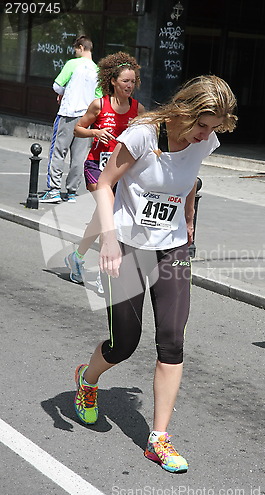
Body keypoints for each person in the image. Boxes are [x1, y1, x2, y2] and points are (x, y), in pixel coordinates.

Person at [73, 75, 237, 473]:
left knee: (172, 340)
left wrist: (190, 219)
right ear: (184, 111)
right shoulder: (144, 134)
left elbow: (191, 180)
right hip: (128, 243)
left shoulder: (205, 140)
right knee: (124, 343)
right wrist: (108, 240)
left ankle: (158, 439)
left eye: (213, 128)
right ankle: (88, 380)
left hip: (173, 248)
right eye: (202, 125)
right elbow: (106, 184)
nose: (205, 136)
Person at [64, 52, 144, 287]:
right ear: (113, 81)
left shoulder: (138, 109)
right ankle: (103, 272)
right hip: (96, 166)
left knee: (102, 216)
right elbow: (78, 129)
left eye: (132, 81)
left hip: (120, 170)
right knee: (106, 211)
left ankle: (77, 257)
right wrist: (95, 132)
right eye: (125, 81)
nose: (130, 86)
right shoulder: (100, 104)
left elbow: (148, 136)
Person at [40, 35, 101, 204]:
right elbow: (99, 96)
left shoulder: (72, 64)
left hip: (68, 114)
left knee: (58, 152)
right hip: (86, 118)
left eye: (76, 49)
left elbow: (57, 85)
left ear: (81, 47)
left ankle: (54, 190)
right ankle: (72, 192)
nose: (75, 52)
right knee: (79, 157)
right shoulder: (97, 70)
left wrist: (65, 92)